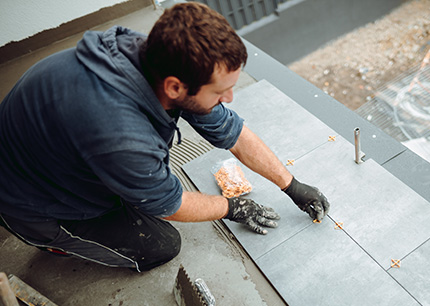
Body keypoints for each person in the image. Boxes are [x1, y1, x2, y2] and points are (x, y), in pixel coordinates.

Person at [0, 3, 329, 272]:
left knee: (142, 177)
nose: (229, 98)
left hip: (61, 151)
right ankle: (52, 240)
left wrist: (291, 185)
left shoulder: (156, 56)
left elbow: (232, 132)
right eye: (221, 91)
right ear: (175, 87)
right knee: (160, 246)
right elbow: (169, 204)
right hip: (36, 203)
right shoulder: (121, 135)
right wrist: (232, 207)